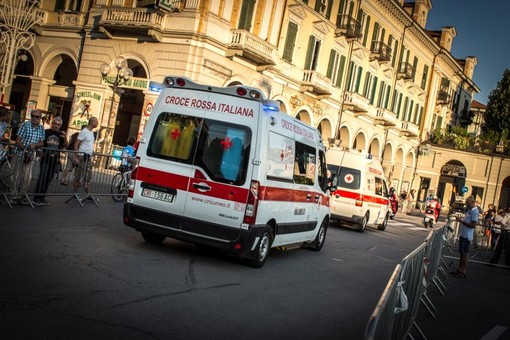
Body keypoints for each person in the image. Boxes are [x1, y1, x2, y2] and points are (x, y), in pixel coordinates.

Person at [10, 109, 45, 204]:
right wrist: (25, 149)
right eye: (32, 116)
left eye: (36, 116)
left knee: (27, 177)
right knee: (15, 176)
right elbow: (18, 140)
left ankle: (21, 197)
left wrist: (35, 145)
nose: (34, 118)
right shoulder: (25, 125)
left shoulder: (41, 128)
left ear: (40, 118)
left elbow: (42, 142)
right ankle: (14, 196)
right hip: (19, 154)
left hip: (30, 157)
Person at [33, 117, 67, 205]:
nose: (56, 126)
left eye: (58, 125)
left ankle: (42, 196)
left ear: (60, 126)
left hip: (54, 159)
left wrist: (65, 137)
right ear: (52, 123)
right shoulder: (46, 132)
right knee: (42, 177)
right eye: (55, 124)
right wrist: (39, 153)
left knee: (49, 179)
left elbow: (65, 146)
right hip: (45, 158)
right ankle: (36, 197)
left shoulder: (61, 134)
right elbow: (40, 143)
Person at [452, 196, 479, 278]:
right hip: (463, 234)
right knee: (462, 253)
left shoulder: (475, 211)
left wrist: (461, 221)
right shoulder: (469, 210)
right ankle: (459, 269)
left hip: (467, 235)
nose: (466, 204)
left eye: (468, 202)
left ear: (472, 202)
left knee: (464, 254)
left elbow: (473, 225)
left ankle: (463, 271)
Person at [73, 116, 98, 199]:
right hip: (82, 156)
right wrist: (76, 156)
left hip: (88, 156)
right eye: (96, 121)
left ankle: (88, 194)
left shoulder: (91, 132)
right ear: (91, 122)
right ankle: (75, 193)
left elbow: (90, 144)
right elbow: (76, 143)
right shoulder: (84, 131)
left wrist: (92, 152)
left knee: (88, 176)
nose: (97, 123)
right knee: (78, 175)